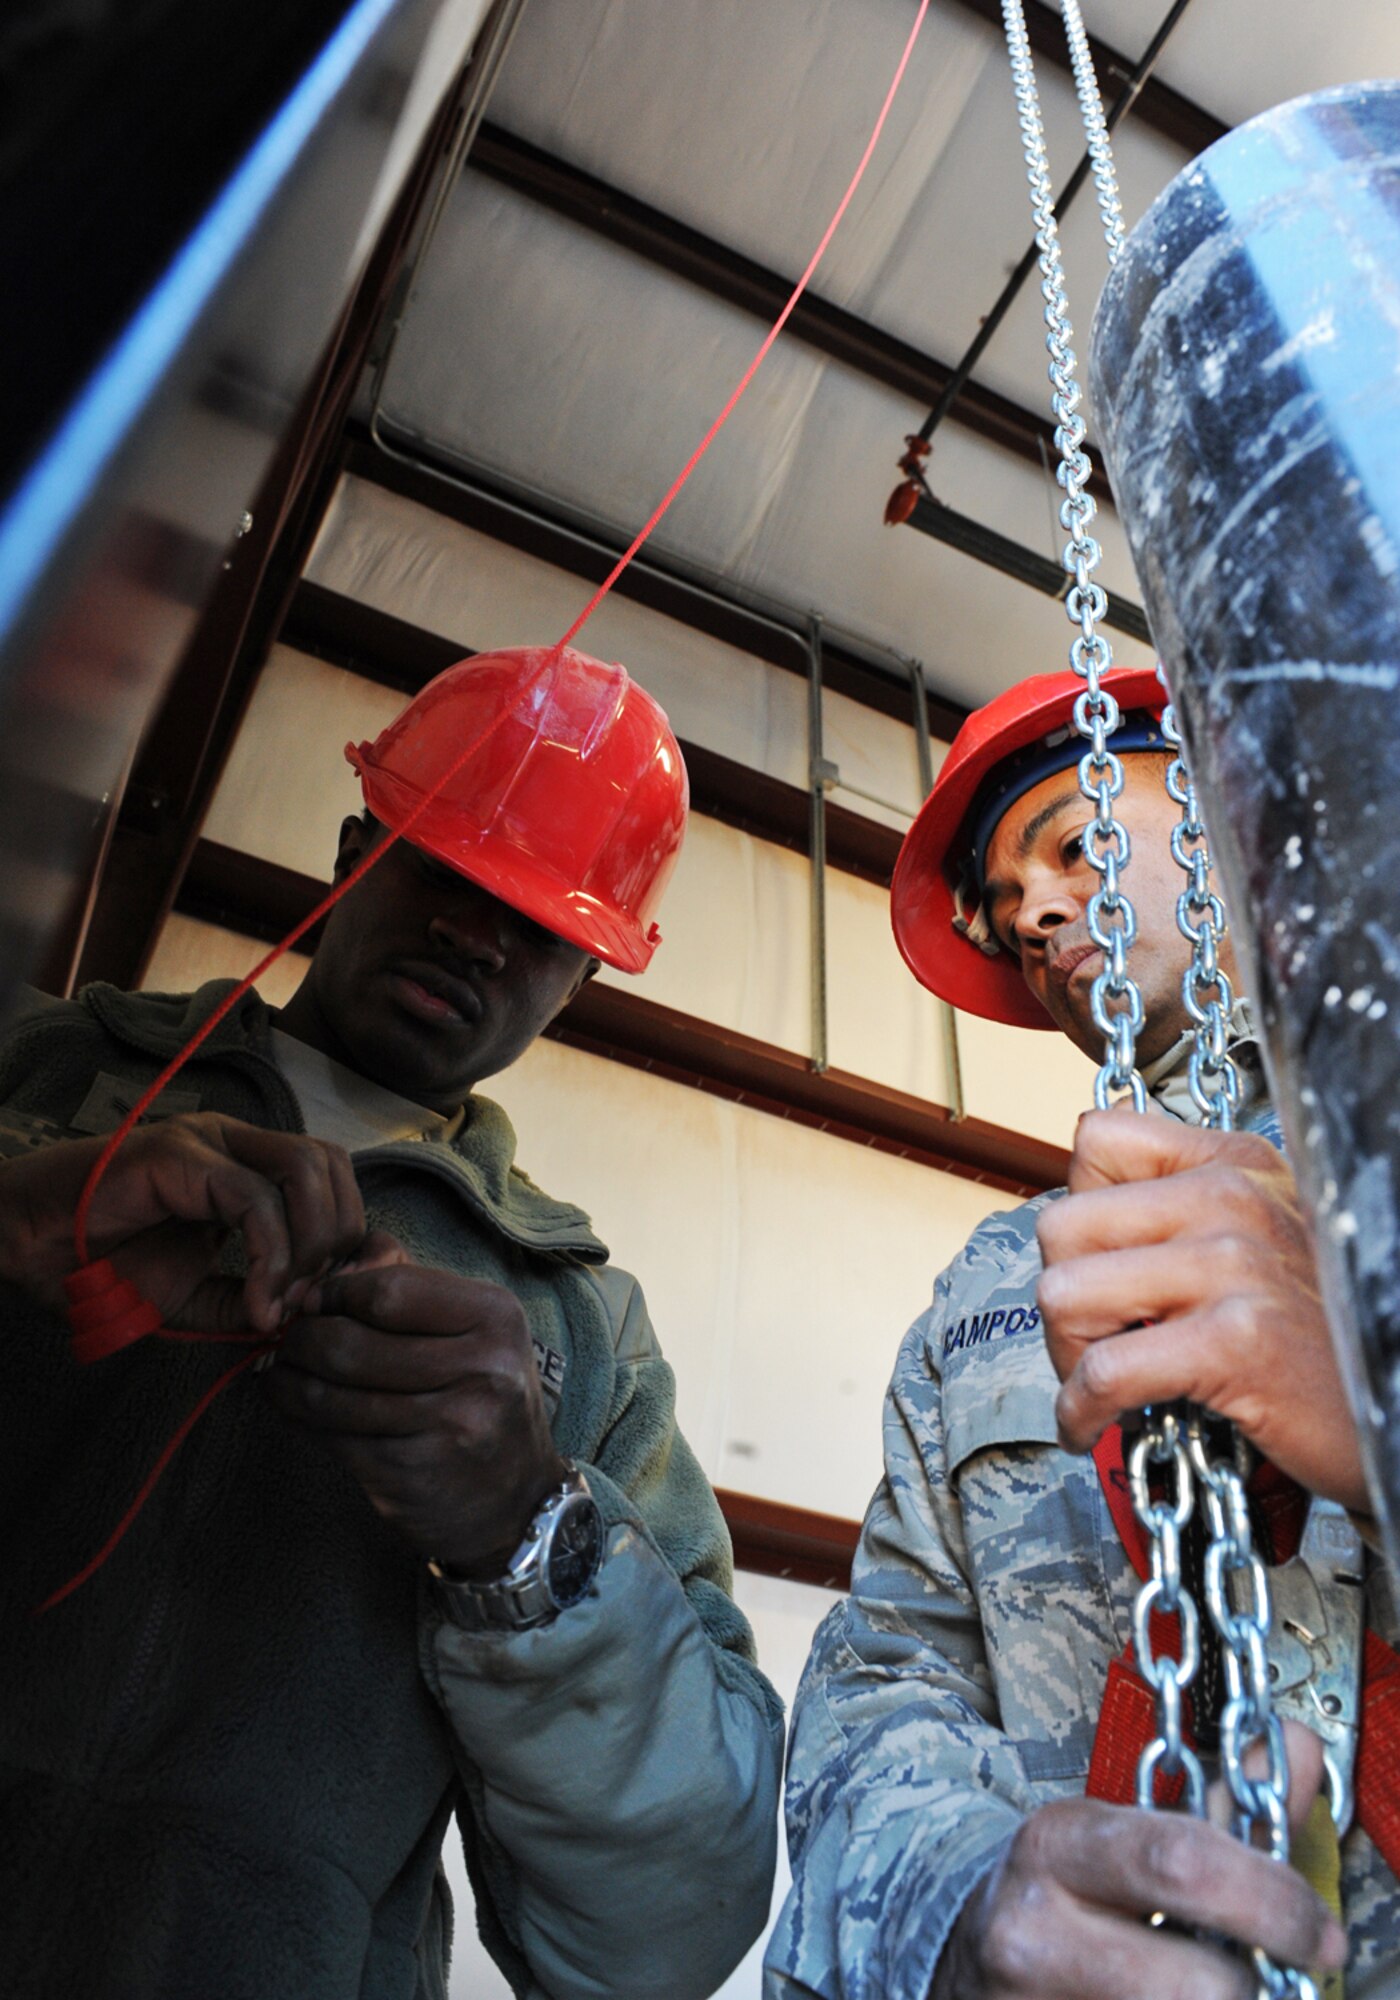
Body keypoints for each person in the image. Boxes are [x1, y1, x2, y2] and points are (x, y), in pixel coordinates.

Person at [0, 644, 782, 2000]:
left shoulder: (581, 1330)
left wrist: (527, 1536)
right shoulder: (49, 1070)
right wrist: (27, 1207)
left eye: (535, 923)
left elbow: (665, 1928)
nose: (475, 936)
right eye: (447, 871)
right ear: (358, 845)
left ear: (578, 986)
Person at [765, 664, 1400, 2000]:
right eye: (1004, 908)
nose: (1037, 913)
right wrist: (954, 1903)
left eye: (1078, 842)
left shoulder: (1381, 1159)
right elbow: (890, 1678)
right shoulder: (994, 1293)